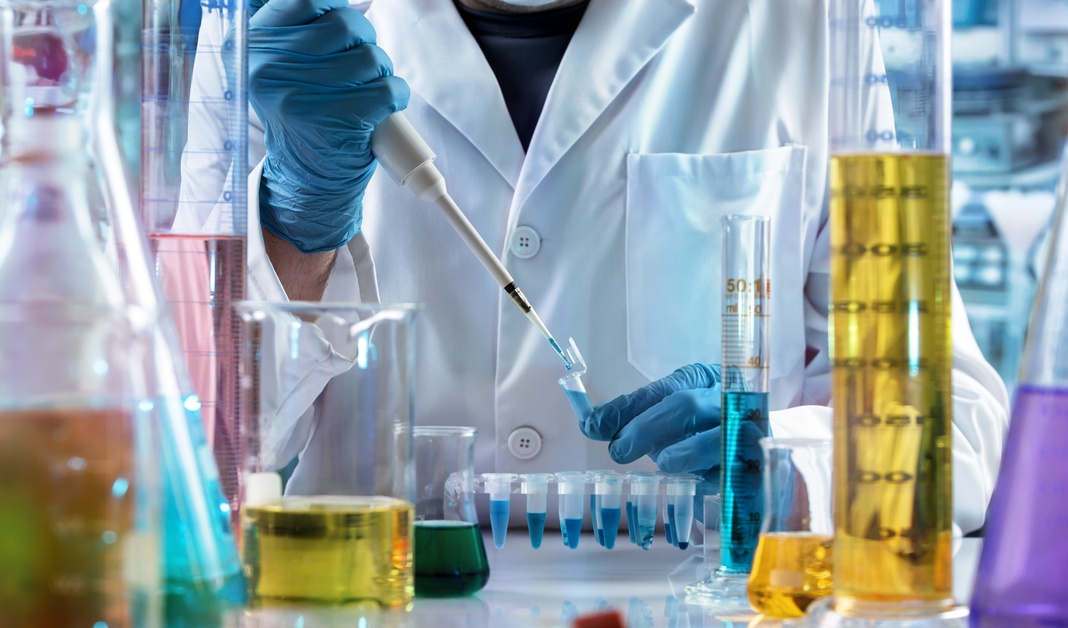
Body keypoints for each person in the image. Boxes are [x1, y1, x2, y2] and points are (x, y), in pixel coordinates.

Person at [184, 0, 1010, 533]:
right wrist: (296, 224)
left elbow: (955, 429)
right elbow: (195, 450)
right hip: (372, 600)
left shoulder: (805, 20)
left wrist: (788, 472)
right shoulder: (273, 30)